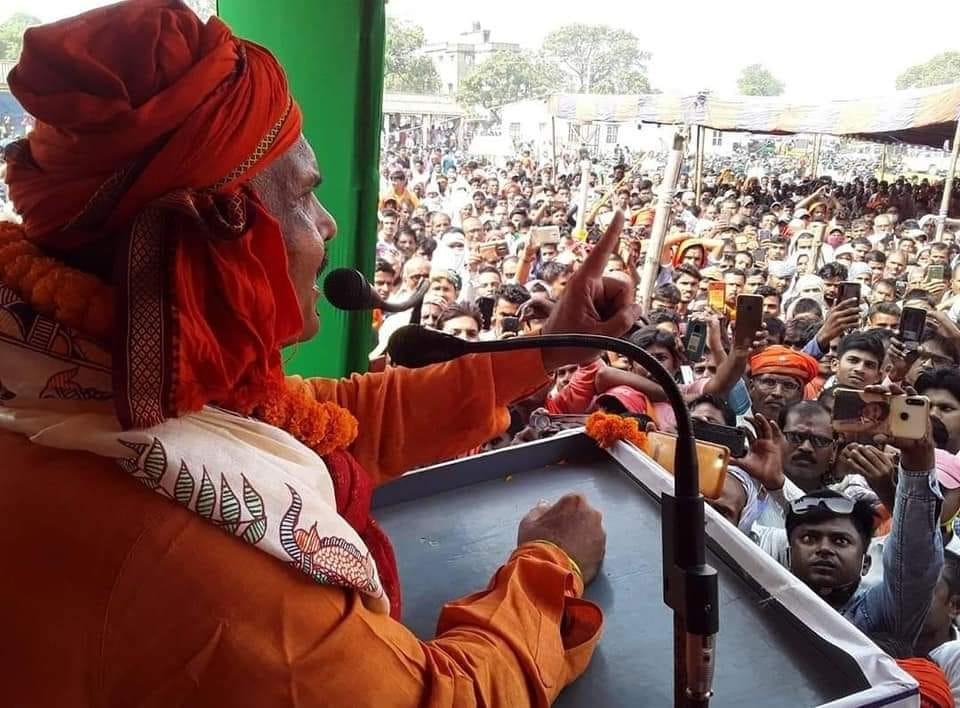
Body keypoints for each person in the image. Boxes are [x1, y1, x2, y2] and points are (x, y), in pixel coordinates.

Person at [0, 5, 649, 704]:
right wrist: (549, 566)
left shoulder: (72, 367)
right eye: (305, 196)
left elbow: (314, 417)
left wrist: (543, 351)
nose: (328, 225)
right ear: (218, 237)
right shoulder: (210, 567)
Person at [747, 345, 819, 420]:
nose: (778, 393)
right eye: (769, 382)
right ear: (752, 387)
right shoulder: (735, 423)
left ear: (800, 394)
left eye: (789, 385)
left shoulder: (808, 429)